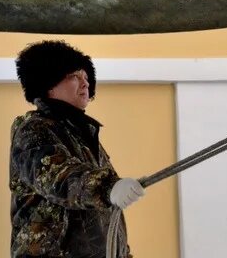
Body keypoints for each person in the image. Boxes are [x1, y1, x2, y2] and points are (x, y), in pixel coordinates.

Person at [10, 40, 146, 257]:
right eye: (74, 76)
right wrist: (107, 187)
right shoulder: (34, 131)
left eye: (86, 77)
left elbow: (105, 216)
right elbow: (60, 177)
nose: (85, 84)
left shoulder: (82, 134)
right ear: (49, 83)